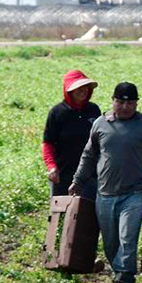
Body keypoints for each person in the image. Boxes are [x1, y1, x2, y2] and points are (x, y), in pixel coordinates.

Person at [69, 82, 142, 283]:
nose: (126, 107)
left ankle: (124, 281)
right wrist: (78, 179)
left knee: (128, 237)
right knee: (110, 242)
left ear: (136, 103)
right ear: (113, 101)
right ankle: (118, 270)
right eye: (121, 102)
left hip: (135, 193)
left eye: (130, 103)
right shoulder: (100, 124)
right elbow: (89, 155)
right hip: (106, 193)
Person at [42, 70, 100, 200]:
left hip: (90, 173)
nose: (83, 91)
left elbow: (100, 139)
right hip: (63, 173)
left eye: (85, 87)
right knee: (61, 213)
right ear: (69, 91)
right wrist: (52, 167)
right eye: (78, 88)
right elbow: (48, 143)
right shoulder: (57, 113)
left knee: (87, 211)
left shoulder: (93, 110)